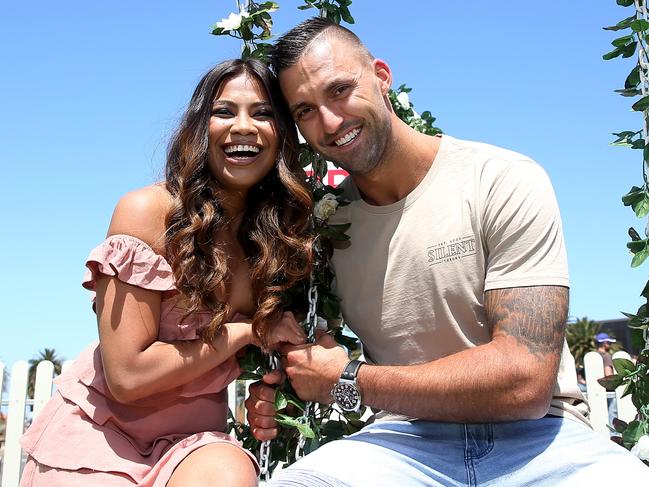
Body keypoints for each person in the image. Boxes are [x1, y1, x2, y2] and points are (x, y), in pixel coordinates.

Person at [245, 17, 649, 485]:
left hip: (542, 440)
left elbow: (525, 381)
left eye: (340, 90)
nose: (330, 122)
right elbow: (306, 350)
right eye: (305, 111)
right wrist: (277, 380)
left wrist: (351, 378)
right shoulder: (326, 228)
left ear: (381, 77)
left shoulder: (500, 180)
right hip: (402, 443)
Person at [19, 58, 313, 486]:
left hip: (194, 446)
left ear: (283, 136)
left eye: (264, 113)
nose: (244, 126)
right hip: (100, 438)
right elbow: (127, 375)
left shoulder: (278, 239)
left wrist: (270, 391)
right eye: (224, 111)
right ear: (199, 127)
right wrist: (244, 332)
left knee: (231, 474)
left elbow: (286, 341)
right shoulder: (146, 212)